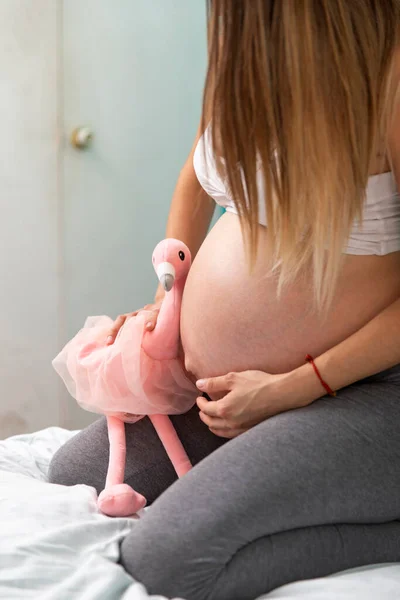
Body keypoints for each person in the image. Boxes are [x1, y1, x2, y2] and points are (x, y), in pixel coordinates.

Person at [49, 2, 400, 599]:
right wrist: (166, 301)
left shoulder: (389, 73)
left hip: (369, 387)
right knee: (73, 473)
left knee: (168, 558)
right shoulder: (250, 49)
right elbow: (196, 175)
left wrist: (297, 385)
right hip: (243, 391)